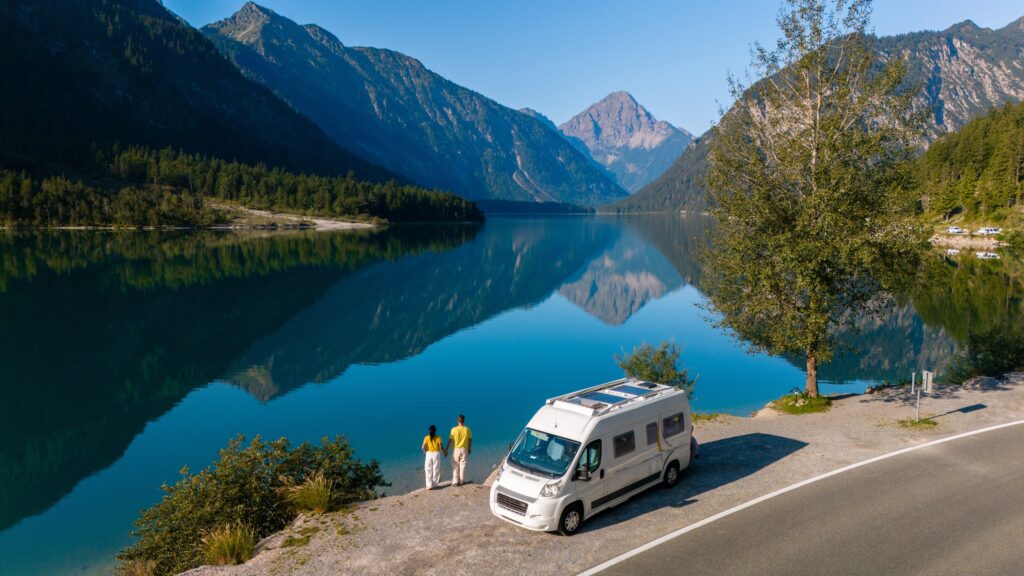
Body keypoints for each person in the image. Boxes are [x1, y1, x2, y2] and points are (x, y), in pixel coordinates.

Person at [445, 414, 472, 486]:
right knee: (463, 465)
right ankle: (461, 481)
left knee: (455, 465)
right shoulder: (467, 429)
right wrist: (469, 448)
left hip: (456, 449)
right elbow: (470, 439)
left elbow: (450, 440)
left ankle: (455, 481)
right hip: (464, 449)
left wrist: (446, 450)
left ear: (457, 420)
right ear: (463, 421)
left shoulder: (453, 429)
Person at [422, 424, 446, 489]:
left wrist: (426, 453)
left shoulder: (426, 437)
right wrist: (444, 453)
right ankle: (435, 484)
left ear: (429, 431)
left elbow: (423, 447)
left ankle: (429, 485)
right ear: (435, 431)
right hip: (436, 453)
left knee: (428, 469)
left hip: (429, 454)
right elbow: (441, 447)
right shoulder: (438, 437)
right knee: (436, 469)